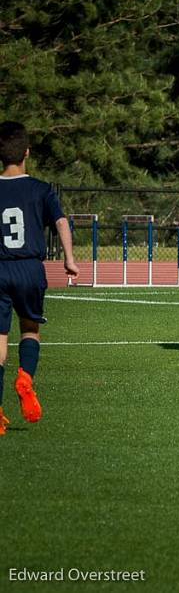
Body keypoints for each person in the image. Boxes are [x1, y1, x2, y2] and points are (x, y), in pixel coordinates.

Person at [0, 121, 78, 435]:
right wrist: (70, 260)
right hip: (30, 267)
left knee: (0, 340)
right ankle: (26, 377)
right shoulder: (41, 189)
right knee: (30, 328)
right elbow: (60, 222)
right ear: (27, 153)